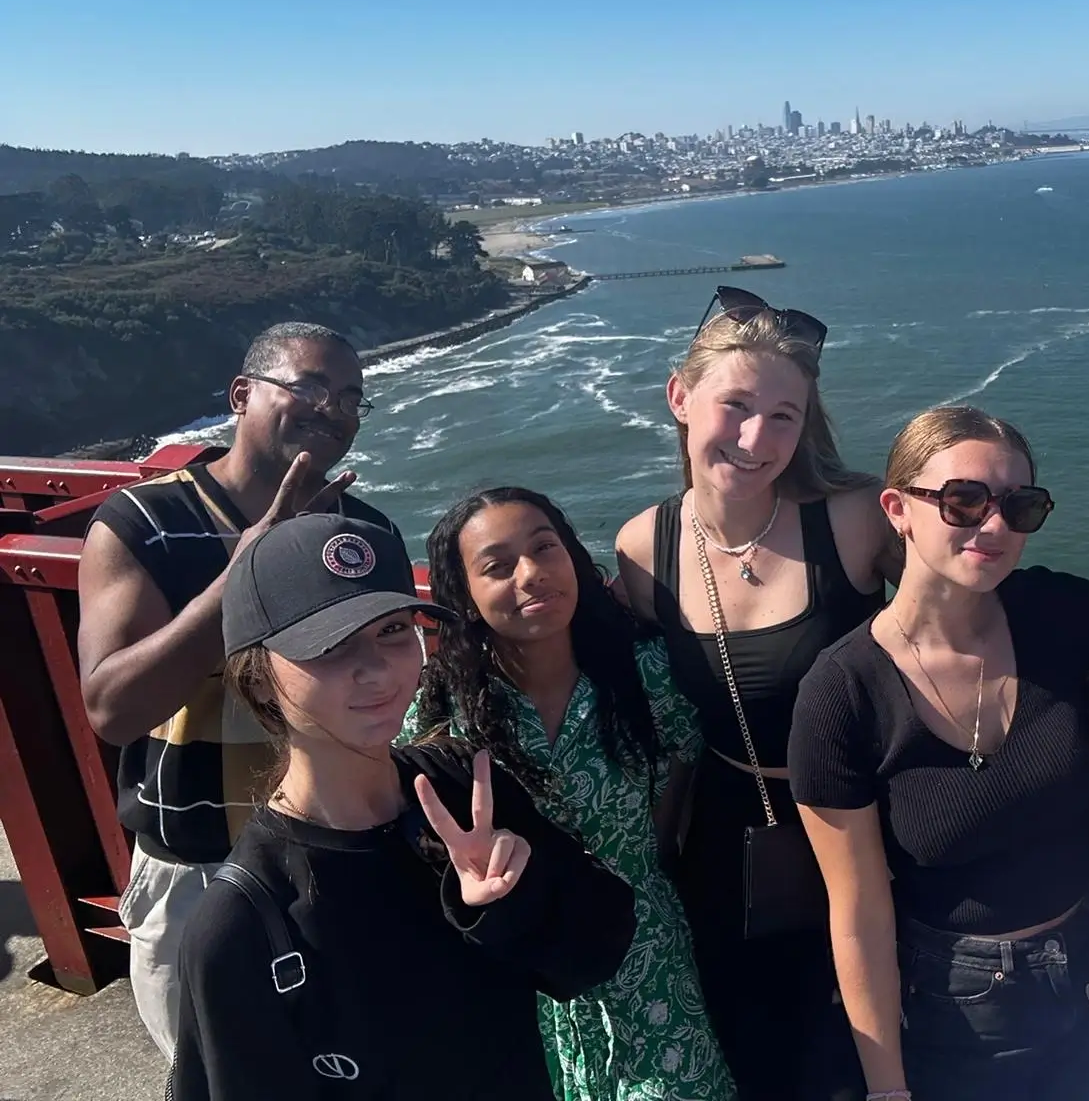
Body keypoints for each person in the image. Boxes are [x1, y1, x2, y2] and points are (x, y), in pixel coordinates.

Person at [169, 512, 637, 1100]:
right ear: (258, 677)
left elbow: (598, 953)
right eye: (330, 645)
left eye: (392, 630)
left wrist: (513, 901)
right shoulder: (243, 923)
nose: (376, 670)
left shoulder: (462, 788)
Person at [788, 405, 1089, 1101]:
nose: (994, 526)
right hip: (957, 1008)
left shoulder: (1056, 611)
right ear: (898, 510)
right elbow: (859, 914)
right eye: (964, 501)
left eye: (1019, 506)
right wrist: (886, 1088)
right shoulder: (841, 693)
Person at [76, 320, 401, 1059]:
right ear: (241, 394)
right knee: (218, 1077)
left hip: (336, 854)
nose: (333, 409)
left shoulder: (361, 531)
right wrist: (241, 576)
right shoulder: (147, 522)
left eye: (351, 397)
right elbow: (112, 709)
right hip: (197, 871)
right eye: (311, 386)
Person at [613, 286, 898, 1101]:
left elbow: (970, 619)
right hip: (729, 848)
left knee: (874, 1052)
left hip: (871, 828)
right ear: (679, 397)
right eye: (734, 406)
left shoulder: (853, 519)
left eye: (783, 416)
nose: (754, 439)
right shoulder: (645, 548)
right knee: (762, 1062)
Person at [403, 487, 734, 1101]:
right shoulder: (444, 711)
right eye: (498, 566)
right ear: (465, 597)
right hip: (523, 973)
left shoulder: (645, 673)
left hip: (647, 952)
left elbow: (680, 785)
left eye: (544, 548)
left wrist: (646, 865)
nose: (531, 574)